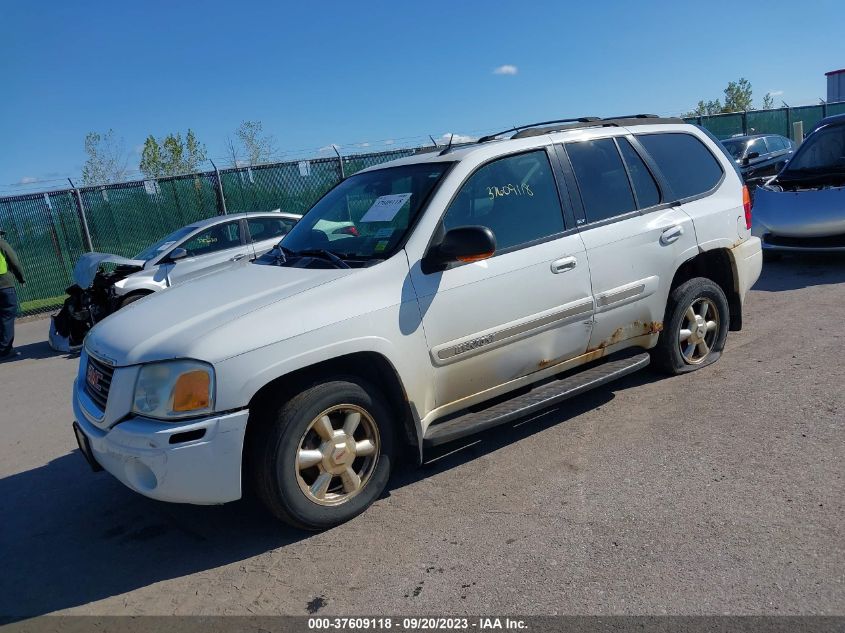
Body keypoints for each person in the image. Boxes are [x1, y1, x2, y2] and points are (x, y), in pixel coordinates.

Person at [0, 229, 25, 361]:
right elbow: (14, 261)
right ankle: (5, 350)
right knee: (6, 318)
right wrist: (21, 278)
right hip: (4, 286)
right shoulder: (2, 244)